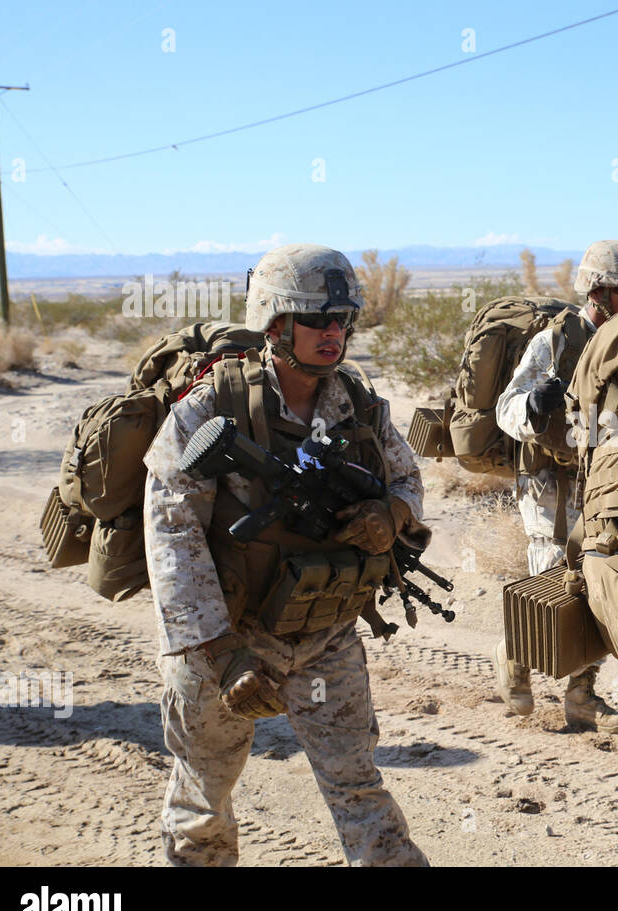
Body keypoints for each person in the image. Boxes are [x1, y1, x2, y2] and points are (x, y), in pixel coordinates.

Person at [144, 243, 431, 866]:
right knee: (204, 798)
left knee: (358, 784)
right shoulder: (208, 407)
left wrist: (391, 515)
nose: (335, 333)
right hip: (227, 639)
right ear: (276, 325)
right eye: (318, 319)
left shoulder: (356, 401)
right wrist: (221, 654)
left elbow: (409, 479)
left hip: (326, 634)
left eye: (343, 320)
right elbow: (173, 537)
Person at [490, 240, 618, 733]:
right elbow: (507, 409)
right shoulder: (557, 341)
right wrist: (533, 406)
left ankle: (581, 696)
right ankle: (514, 652)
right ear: (598, 292)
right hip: (548, 481)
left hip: (602, 479)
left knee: (597, 583)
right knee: (557, 581)